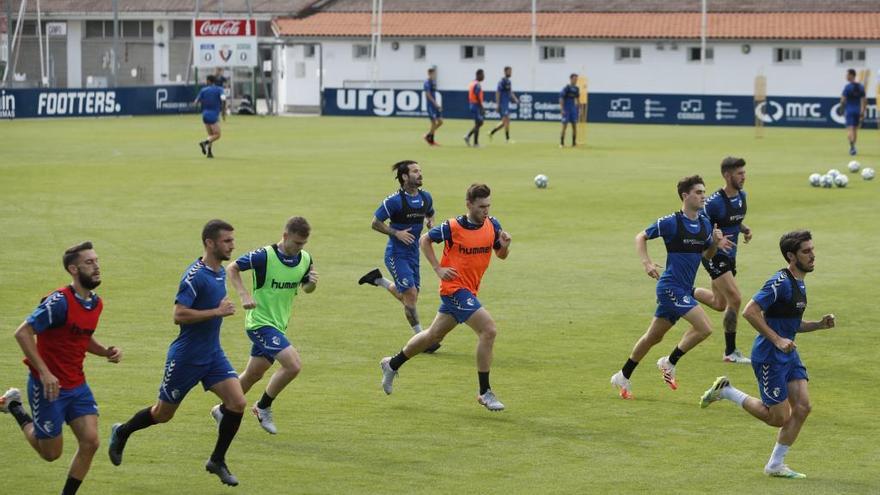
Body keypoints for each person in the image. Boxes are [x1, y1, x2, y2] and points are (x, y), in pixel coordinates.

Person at [108, 220, 246, 487]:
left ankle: (217, 460)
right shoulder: (195, 275)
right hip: (186, 358)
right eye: (227, 241)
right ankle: (122, 431)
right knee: (162, 414)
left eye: (232, 240)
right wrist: (216, 312)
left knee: (237, 403)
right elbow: (178, 314)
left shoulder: (218, 272)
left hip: (213, 354)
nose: (232, 245)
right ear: (210, 243)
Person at [700, 230, 835, 479]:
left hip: (788, 353)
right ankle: (726, 391)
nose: (813, 255)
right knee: (778, 418)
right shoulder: (780, 282)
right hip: (769, 356)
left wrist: (818, 324)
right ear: (791, 256)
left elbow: (790, 325)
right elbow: (750, 311)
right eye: (806, 251)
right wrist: (777, 340)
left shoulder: (798, 282)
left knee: (803, 407)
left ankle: (775, 465)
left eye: (812, 249)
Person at [0, 242, 121, 495]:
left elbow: (81, 337)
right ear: (73, 269)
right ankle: (14, 407)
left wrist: (105, 351)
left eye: (97, 260)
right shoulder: (58, 302)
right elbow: (22, 333)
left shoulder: (95, 304)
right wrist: (44, 372)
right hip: (48, 388)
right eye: (89, 262)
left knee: (91, 442)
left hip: (77, 384)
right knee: (51, 453)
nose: (97, 266)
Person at [379, 183, 512, 411]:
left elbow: (500, 255)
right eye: (481, 206)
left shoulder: (492, 224)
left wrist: (505, 247)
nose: (486, 211)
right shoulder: (453, 227)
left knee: (432, 336)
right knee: (488, 330)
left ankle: (392, 364)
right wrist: (438, 268)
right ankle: (484, 392)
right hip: (454, 289)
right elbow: (424, 240)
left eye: (488, 206)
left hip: (469, 290)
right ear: (469, 204)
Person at [610, 175, 734, 399]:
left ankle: (623, 375)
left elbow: (706, 254)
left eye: (704, 192)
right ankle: (669, 361)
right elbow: (641, 236)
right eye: (698, 192)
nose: (703, 196)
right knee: (705, 328)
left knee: (652, 337)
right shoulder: (671, 222)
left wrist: (715, 243)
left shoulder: (705, 224)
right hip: (670, 287)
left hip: (683, 289)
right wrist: (646, 262)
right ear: (685, 196)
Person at [221, 216, 318, 435]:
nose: (299, 248)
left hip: (279, 325)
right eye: (296, 243)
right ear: (285, 236)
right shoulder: (264, 255)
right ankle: (262, 406)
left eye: (303, 244)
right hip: (259, 322)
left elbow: (306, 288)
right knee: (293, 365)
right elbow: (232, 268)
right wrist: (244, 294)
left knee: (254, 374)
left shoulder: (304, 258)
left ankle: (222, 409)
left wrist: (311, 283)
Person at [359, 161, 440, 352]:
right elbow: (375, 222)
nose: (420, 174)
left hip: (413, 254)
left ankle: (378, 280)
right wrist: (396, 233)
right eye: (415, 171)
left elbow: (431, 213)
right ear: (404, 177)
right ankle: (422, 340)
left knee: (410, 296)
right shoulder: (394, 201)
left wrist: (431, 222)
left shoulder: (425, 197)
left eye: (420, 170)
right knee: (410, 296)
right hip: (396, 254)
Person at [694, 157, 753, 364]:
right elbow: (700, 226)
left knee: (720, 304)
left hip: (730, 256)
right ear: (727, 176)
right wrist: (714, 242)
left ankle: (685, 290)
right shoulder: (714, 202)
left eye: (744, 173)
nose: (744, 177)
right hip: (714, 255)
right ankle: (730, 352)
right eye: (739, 173)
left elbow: (733, 219)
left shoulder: (741, 196)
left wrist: (744, 229)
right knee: (735, 299)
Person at [194, 74, 225, 159]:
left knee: (210, 134)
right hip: (213, 115)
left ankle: (209, 152)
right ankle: (204, 143)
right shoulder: (219, 89)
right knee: (217, 135)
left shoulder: (203, 90)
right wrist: (223, 111)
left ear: (208, 81)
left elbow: (196, 101)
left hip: (205, 115)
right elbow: (223, 99)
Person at [840, 68, 866, 156]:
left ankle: (852, 147)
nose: (846, 76)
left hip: (850, 110)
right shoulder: (861, 87)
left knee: (850, 129)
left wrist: (841, 109)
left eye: (847, 75)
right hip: (858, 110)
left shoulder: (847, 87)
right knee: (855, 130)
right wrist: (862, 111)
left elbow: (843, 100)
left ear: (851, 75)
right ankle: (853, 147)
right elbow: (863, 100)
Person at [489, 66, 519, 143]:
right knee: (507, 120)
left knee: (504, 122)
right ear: (505, 72)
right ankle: (507, 139)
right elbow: (498, 93)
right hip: (502, 104)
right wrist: (498, 104)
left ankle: (491, 133)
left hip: (506, 104)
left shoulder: (509, 82)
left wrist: (515, 99)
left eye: (511, 71)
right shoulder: (501, 82)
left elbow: (510, 92)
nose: (511, 73)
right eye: (509, 71)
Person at [464, 69, 485, 148]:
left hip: (472, 105)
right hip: (475, 105)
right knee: (478, 123)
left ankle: (468, 136)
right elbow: (477, 96)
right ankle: (475, 143)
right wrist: (481, 107)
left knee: (480, 123)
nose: (483, 77)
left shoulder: (472, 83)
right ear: (478, 75)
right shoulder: (477, 84)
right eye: (483, 75)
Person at [559, 73, 580, 148]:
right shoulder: (566, 88)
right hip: (566, 109)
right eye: (574, 79)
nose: (576, 80)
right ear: (571, 79)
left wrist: (578, 109)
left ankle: (574, 143)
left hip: (573, 109)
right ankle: (561, 143)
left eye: (577, 79)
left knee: (574, 126)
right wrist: (562, 109)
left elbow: (577, 99)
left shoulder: (577, 89)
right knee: (564, 126)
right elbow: (561, 98)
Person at [423, 67, 443, 146]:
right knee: (434, 123)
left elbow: (434, 94)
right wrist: (435, 104)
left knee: (440, 122)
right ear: (429, 73)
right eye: (433, 74)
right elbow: (428, 95)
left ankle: (428, 135)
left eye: (434, 74)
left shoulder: (433, 82)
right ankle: (431, 141)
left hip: (435, 105)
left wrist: (437, 104)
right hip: (431, 106)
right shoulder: (426, 83)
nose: (434, 75)